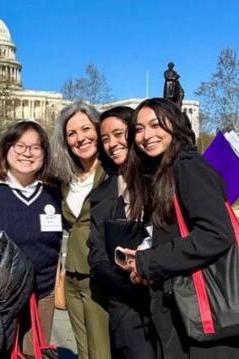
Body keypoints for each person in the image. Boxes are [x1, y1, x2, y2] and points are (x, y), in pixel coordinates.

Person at [121, 98, 239, 358]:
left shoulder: (187, 166)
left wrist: (150, 260)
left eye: (156, 124)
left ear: (176, 125)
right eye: (138, 128)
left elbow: (215, 233)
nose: (146, 135)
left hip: (211, 314)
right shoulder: (165, 171)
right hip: (192, 307)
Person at [0, 120, 62, 356]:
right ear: (6, 149)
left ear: (44, 154)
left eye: (36, 147)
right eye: (19, 146)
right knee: (1, 352)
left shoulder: (54, 191)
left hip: (42, 293)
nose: (27, 153)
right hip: (2, 296)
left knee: (34, 353)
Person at [86, 106, 158, 359]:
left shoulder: (164, 180)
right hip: (128, 307)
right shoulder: (102, 194)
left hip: (168, 302)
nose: (112, 144)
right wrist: (130, 280)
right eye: (105, 139)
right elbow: (96, 256)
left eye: (118, 134)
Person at [50, 101, 110, 359]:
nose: (80, 138)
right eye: (71, 134)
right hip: (72, 275)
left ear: (98, 129)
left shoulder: (113, 173)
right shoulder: (66, 177)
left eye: (86, 129)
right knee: (83, 351)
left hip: (99, 274)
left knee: (102, 351)